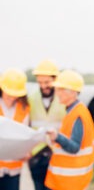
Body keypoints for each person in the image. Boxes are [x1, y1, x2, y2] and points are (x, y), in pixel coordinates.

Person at [44, 70, 94, 190]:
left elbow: (74, 147)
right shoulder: (73, 111)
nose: (56, 93)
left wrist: (57, 137)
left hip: (70, 182)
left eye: (60, 90)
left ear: (72, 92)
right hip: (67, 181)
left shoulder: (78, 114)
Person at [28, 59, 66, 190]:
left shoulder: (64, 100)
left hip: (57, 155)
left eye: (47, 82)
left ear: (55, 79)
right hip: (36, 156)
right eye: (40, 82)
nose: (43, 86)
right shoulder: (31, 99)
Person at [0, 68, 30, 190]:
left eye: (15, 94)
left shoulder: (24, 109)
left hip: (14, 169)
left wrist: (26, 151)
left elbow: (25, 135)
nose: (12, 97)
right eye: (9, 93)